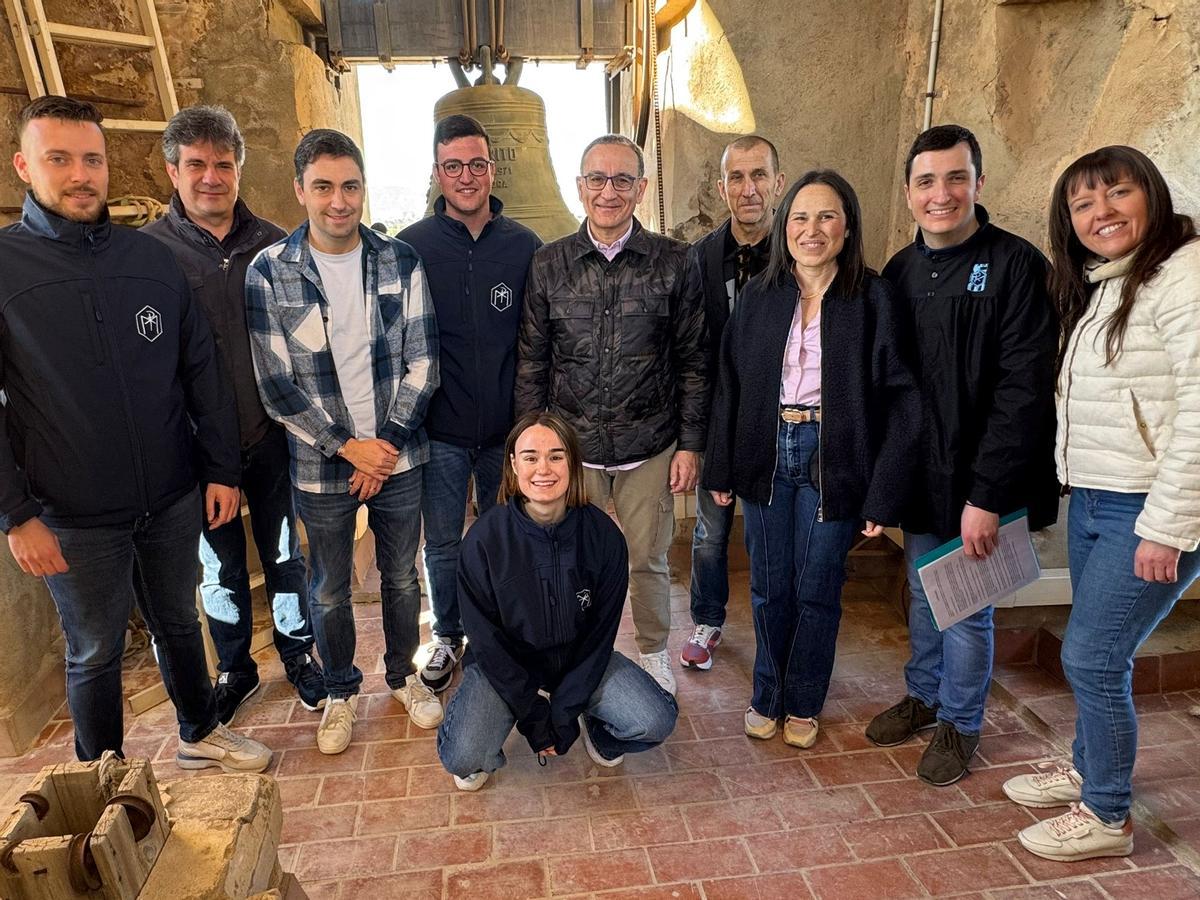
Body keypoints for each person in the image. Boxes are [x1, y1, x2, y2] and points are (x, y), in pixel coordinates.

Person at [0, 96, 271, 772]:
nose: (80, 175)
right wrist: (16, 515)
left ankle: (200, 731)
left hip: (172, 496)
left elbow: (202, 372)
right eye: (59, 159)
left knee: (179, 621)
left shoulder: (149, 259)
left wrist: (220, 469)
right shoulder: (6, 269)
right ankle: (105, 775)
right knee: (93, 649)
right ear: (24, 166)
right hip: (73, 515)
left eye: (92, 159)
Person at [1002, 146, 1200, 862]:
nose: (1101, 213)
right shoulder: (1111, 283)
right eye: (1083, 203)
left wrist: (1167, 528)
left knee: (1092, 657)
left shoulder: (1185, 276)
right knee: (1095, 653)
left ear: (1152, 194)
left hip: (1145, 509)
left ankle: (1107, 814)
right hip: (1095, 499)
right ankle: (1090, 769)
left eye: (1117, 193)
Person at [867, 124, 1059, 786]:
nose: (941, 194)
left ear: (979, 182)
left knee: (969, 609)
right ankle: (924, 695)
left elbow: (1023, 390)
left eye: (956, 178)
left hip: (984, 480)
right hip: (924, 475)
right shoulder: (900, 270)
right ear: (909, 192)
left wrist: (988, 494)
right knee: (925, 595)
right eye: (926, 181)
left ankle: (960, 722)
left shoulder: (1016, 265)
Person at [703, 170, 919, 748]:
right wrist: (721, 466)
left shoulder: (872, 298)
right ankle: (767, 692)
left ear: (847, 227)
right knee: (769, 585)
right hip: (766, 449)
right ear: (784, 227)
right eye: (800, 216)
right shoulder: (760, 296)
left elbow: (900, 397)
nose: (811, 229)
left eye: (827, 216)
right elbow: (730, 383)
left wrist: (882, 493)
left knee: (818, 585)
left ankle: (803, 699)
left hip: (836, 455)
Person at [246, 129, 441, 754]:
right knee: (329, 588)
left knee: (402, 578)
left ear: (363, 189)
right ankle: (339, 690)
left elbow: (424, 363)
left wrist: (383, 445)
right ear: (300, 190)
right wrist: (349, 448)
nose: (339, 201)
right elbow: (277, 386)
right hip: (321, 464)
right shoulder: (270, 272)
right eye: (324, 187)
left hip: (397, 456)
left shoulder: (401, 262)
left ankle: (403, 676)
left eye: (350, 186)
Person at [143, 105, 326, 725]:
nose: (211, 178)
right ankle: (235, 668)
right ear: (173, 171)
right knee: (217, 568)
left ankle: (298, 653)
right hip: (195, 450)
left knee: (285, 555)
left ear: (239, 170)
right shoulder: (149, 255)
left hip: (271, 435)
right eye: (196, 164)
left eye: (223, 164)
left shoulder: (276, 245)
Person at [514, 134, 707, 695]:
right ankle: (571, 653)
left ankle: (652, 653)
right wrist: (529, 447)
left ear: (641, 189)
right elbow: (533, 360)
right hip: (572, 447)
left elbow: (694, 361)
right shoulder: (548, 264)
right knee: (568, 559)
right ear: (580, 187)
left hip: (650, 444)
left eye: (623, 180)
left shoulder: (676, 262)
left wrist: (690, 445)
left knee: (647, 559)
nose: (608, 191)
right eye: (597, 179)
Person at [437, 412, 678, 791]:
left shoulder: (603, 537)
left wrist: (564, 713)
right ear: (513, 465)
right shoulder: (483, 540)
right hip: (506, 668)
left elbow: (600, 637)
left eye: (556, 456)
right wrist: (534, 715)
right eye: (530, 457)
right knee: (462, 756)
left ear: (573, 462)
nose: (543, 469)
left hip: (578, 661)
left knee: (656, 719)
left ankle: (599, 733)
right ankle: (489, 738)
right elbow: (485, 643)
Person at [399, 114, 541, 694]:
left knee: (504, 537)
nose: (466, 176)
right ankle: (448, 634)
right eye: (453, 166)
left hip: (507, 432)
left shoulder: (524, 247)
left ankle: (499, 634)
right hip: (439, 431)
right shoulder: (411, 247)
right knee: (442, 543)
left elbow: (538, 339)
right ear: (438, 173)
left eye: (476, 164)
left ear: (491, 170)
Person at [680, 135, 785, 673]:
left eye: (759, 175)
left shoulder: (797, 253)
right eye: (737, 178)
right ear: (722, 188)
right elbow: (690, 347)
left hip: (779, 422)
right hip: (718, 420)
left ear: (778, 183)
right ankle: (707, 619)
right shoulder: (700, 259)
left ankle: (775, 628)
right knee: (710, 532)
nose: (749, 189)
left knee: (770, 536)